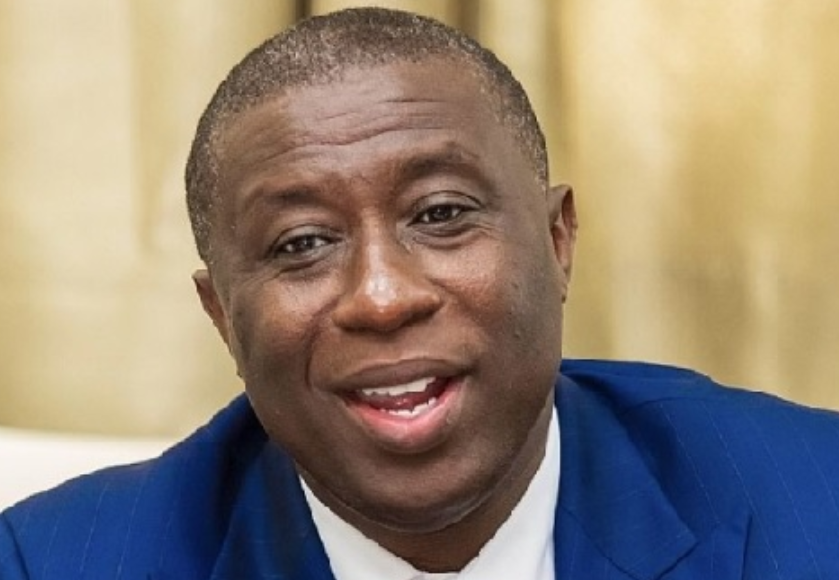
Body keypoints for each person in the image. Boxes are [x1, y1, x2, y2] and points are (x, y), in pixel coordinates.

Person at [2, 7, 838, 579]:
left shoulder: (813, 504)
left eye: (440, 214)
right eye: (301, 244)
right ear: (222, 315)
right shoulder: (55, 563)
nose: (380, 297)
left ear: (557, 242)